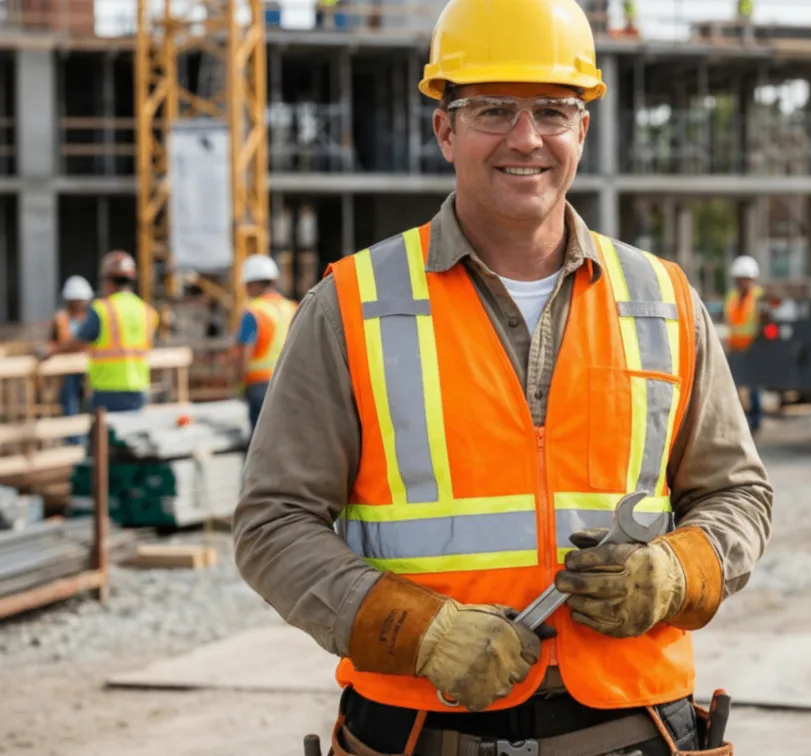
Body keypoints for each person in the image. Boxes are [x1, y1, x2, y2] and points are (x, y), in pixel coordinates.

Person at [231, 0, 772, 753]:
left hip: (631, 729)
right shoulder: (352, 305)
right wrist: (415, 632)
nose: (526, 139)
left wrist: (675, 575)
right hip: (422, 732)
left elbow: (736, 495)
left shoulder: (662, 299)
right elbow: (271, 524)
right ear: (444, 128)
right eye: (492, 110)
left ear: (583, 128)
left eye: (553, 110)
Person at [47, 251, 158, 414]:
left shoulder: (103, 310)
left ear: (108, 281)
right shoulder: (146, 311)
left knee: (106, 437)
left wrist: (51, 351)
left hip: (108, 389)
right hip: (139, 386)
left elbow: (79, 342)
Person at [234, 255, 297, 432]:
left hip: (259, 386)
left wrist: (238, 383)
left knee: (260, 442)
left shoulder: (254, 312)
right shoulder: (292, 307)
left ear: (254, 283)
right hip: (290, 382)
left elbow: (245, 352)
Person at [724, 255, 763, 432]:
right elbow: (731, 322)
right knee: (733, 388)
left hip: (752, 349)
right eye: (738, 279)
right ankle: (738, 421)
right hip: (735, 348)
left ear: (752, 279)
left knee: (753, 387)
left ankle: (755, 421)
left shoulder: (758, 297)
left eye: (744, 279)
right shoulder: (732, 297)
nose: (741, 283)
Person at [51, 276, 93, 418]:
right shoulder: (61, 318)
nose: (80, 304)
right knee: (69, 398)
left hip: (88, 367)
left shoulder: (90, 318)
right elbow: (53, 341)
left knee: (88, 401)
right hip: (67, 368)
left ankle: (88, 435)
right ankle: (73, 437)